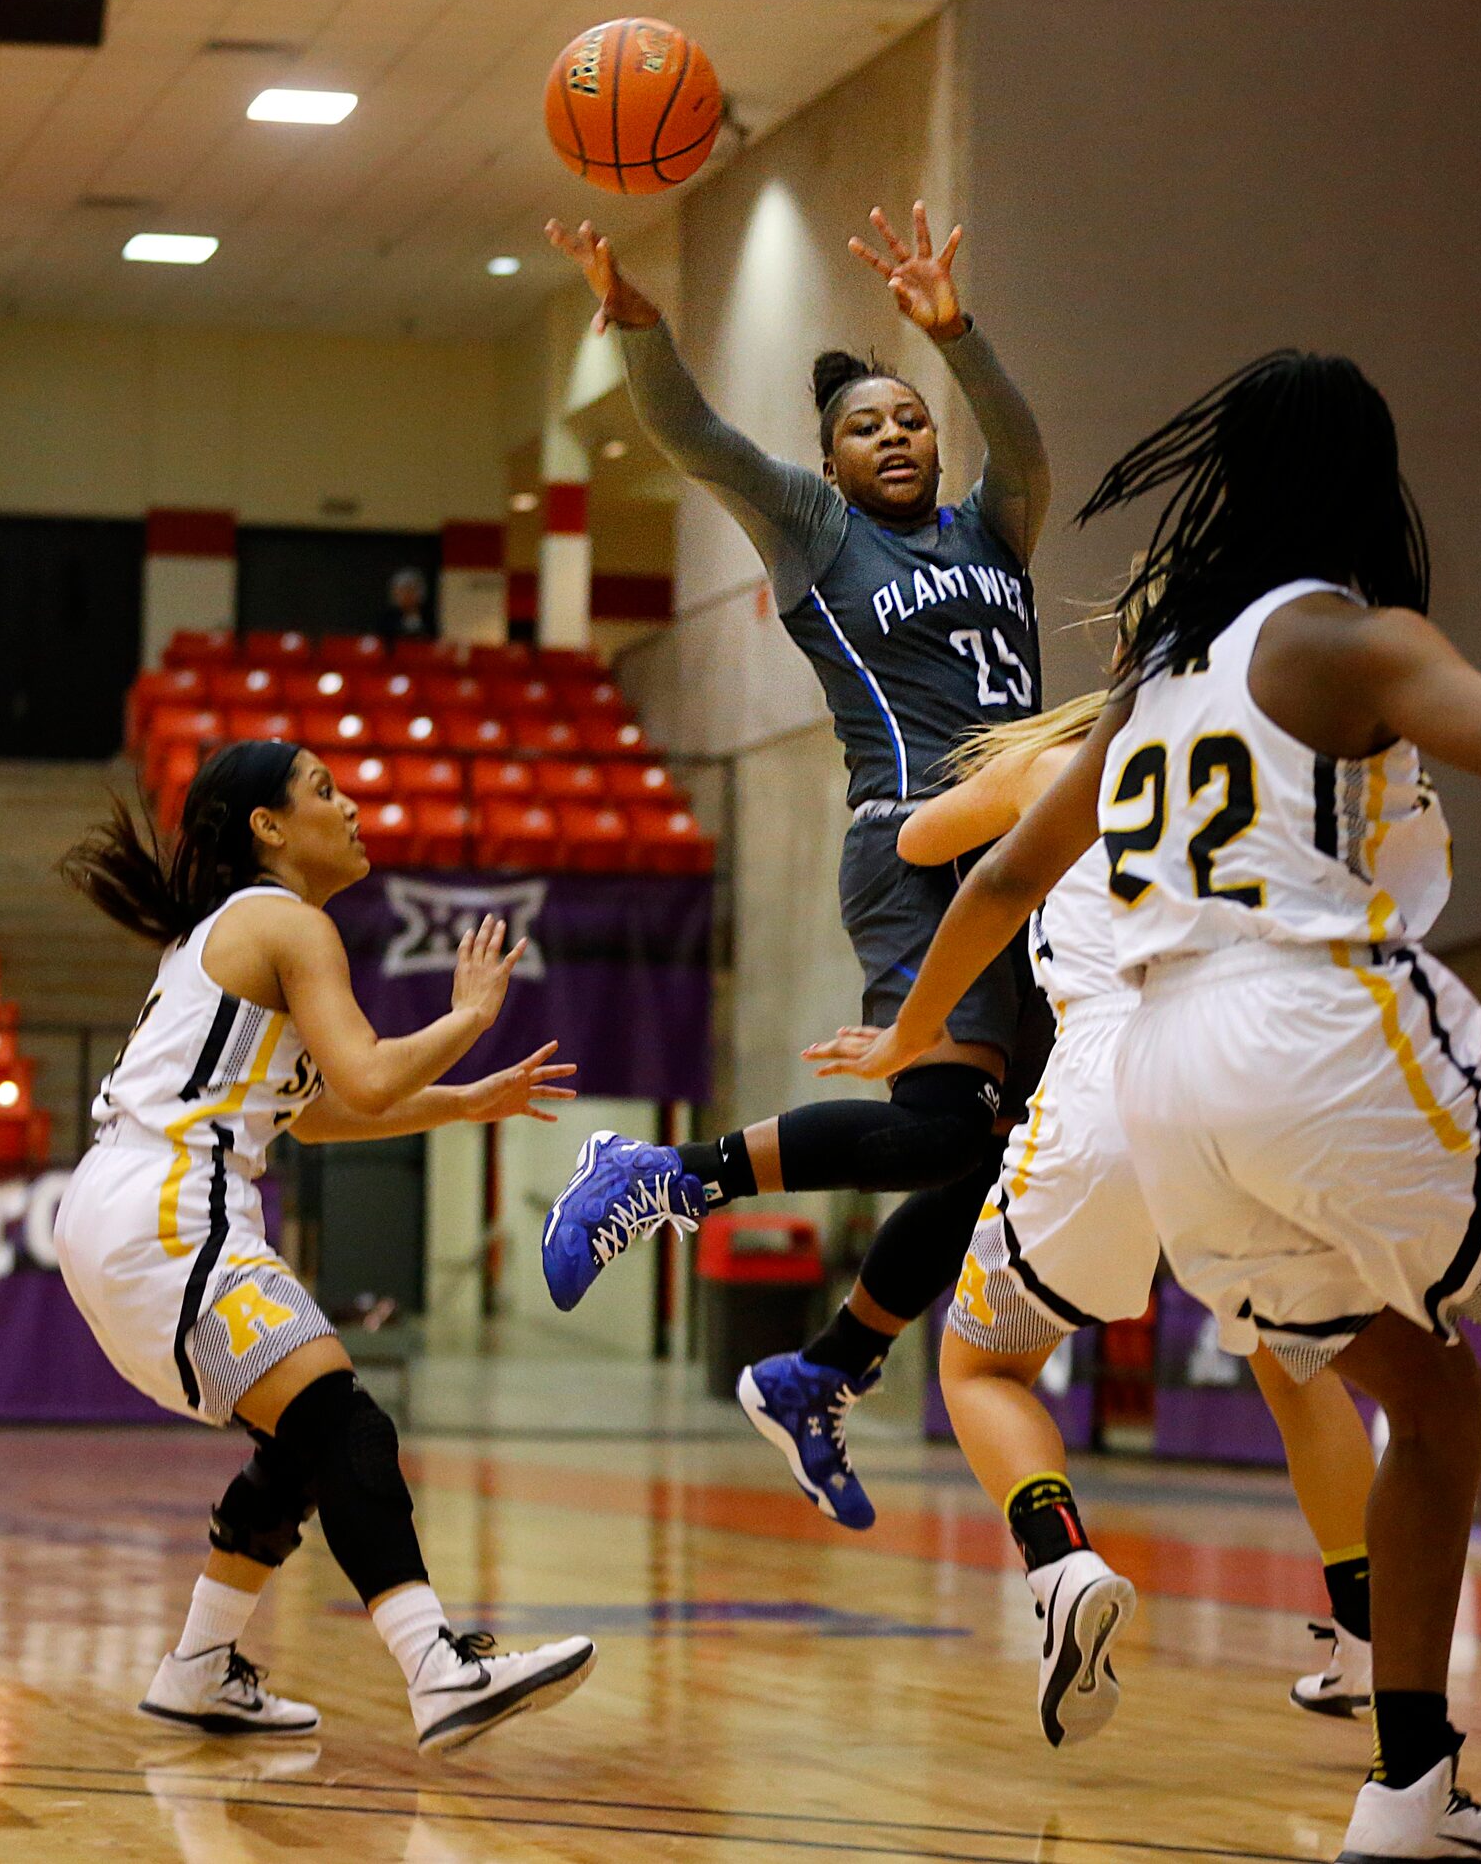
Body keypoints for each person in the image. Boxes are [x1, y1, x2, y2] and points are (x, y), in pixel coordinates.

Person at [806, 351, 1481, 1860]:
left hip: (1166, 1093)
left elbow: (1002, 874)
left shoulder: (1151, 676)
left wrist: (911, 1036)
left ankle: (1409, 1784)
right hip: (1307, 1036)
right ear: (1363, 478)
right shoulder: (1338, 637)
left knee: (1428, 1386)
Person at [536, 203, 1053, 1532]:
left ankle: (822, 1368)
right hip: (911, 845)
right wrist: (636, 319)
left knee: (980, 1157)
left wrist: (958, 334)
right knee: (950, 1130)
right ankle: (666, 1178)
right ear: (828, 458)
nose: (895, 434)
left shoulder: (992, 532)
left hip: (1027, 858)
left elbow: (1031, 449)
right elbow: (694, 439)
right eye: (866, 424)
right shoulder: (822, 536)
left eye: (912, 417)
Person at [819, 692, 1379, 1743]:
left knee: (978, 1367)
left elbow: (917, 835)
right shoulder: (1254, 757)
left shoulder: (1058, 767)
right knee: (1298, 1371)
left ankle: (1062, 1561)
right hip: (1257, 1064)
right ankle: (1369, 1641)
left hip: (1114, 1074)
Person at [55, 741, 597, 1752]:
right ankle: (437, 1670)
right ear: (268, 826)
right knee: (348, 1425)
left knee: (303, 1440)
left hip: (124, 1207)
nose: (350, 807)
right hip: (175, 1206)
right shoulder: (286, 921)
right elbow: (370, 1076)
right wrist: (470, 1017)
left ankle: (199, 1669)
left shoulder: (236, 933)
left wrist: (466, 1100)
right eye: (324, 791)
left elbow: (316, 1113)